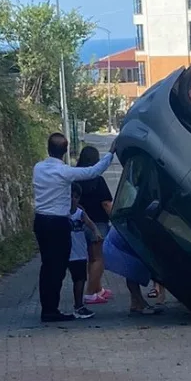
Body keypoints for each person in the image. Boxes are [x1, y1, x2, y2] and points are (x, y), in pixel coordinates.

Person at [32, 132, 115, 323]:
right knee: (58, 268)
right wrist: (110, 153)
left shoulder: (38, 168)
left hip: (40, 221)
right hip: (58, 223)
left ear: (48, 148)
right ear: (66, 150)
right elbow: (93, 172)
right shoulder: (64, 172)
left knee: (47, 266)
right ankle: (51, 311)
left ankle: (48, 307)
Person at [76, 146, 115, 304]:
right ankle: (90, 293)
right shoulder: (97, 180)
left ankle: (98, 288)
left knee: (90, 259)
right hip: (98, 223)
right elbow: (106, 203)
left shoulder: (75, 177)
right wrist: (115, 218)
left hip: (80, 223)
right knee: (98, 259)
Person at [103, 225, 164, 316]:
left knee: (132, 271)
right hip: (124, 237)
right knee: (132, 271)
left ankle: (136, 303)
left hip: (123, 235)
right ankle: (140, 303)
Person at [68, 183, 103, 319]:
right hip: (66, 252)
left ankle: (79, 306)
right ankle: (75, 306)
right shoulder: (61, 212)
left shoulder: (80, 213)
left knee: (80, 279)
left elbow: (90, 223)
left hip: (79, 252)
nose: (73, 199)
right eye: (70, 196)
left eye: (76, 197)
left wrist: (96, 231)